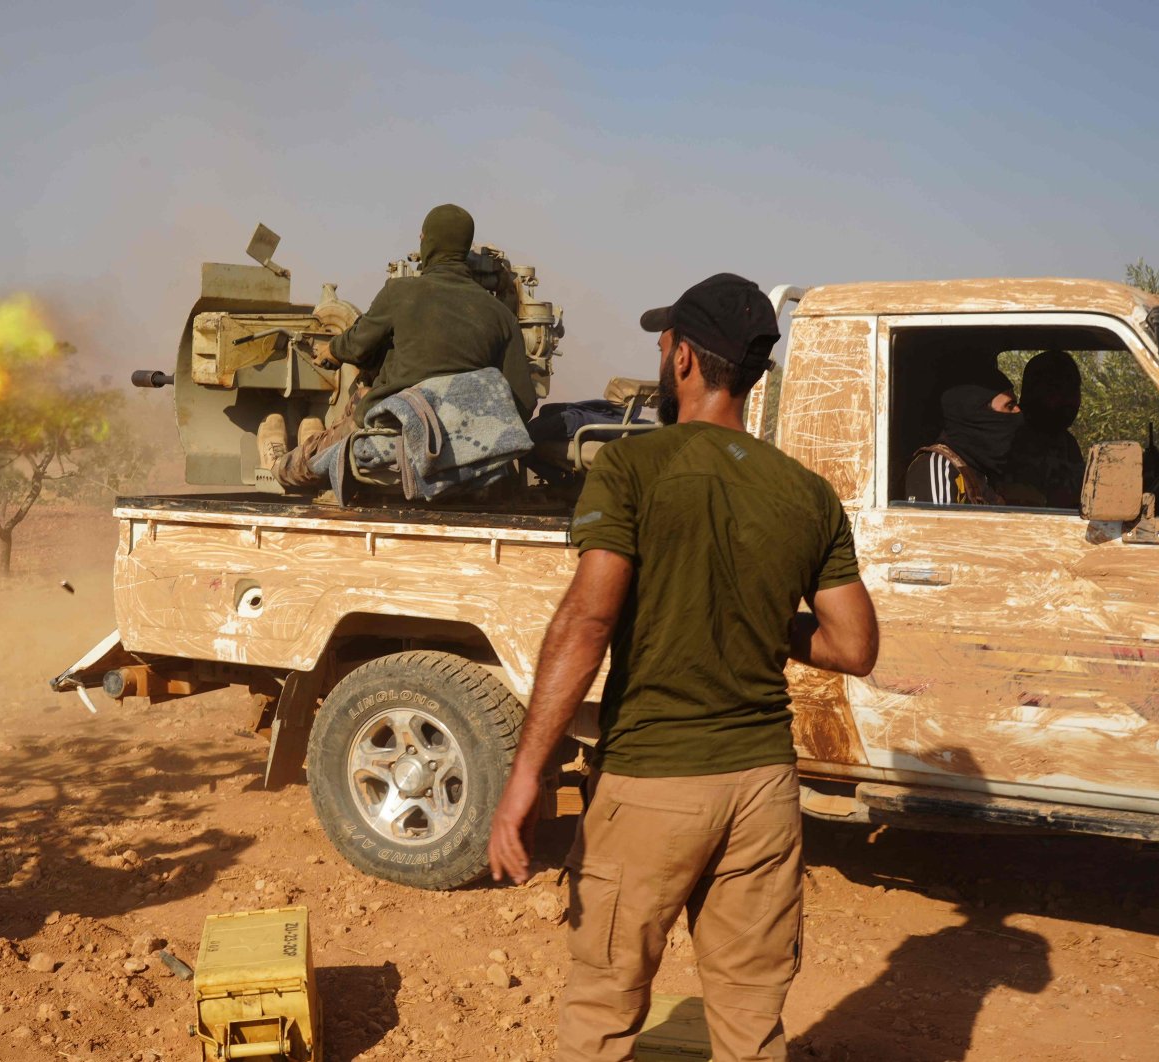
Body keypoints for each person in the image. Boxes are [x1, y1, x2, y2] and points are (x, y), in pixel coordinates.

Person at [486, 272, 880, 1062]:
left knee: (603, 1010)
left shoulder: (631, 469)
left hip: (652, 785)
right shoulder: (806, 494)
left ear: (684, 360)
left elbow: (588, 620)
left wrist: (528, 772)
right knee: (748, 1025)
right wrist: (766, 621)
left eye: (664, 343)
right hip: (763, 793)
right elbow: (853, 647)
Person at [262, 203, 537, 489]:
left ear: (427, 242)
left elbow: (357, 346)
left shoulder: (400, 293)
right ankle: (310, 435)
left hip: (391, 428)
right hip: (464, 453)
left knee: (297, 468)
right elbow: (523, 400)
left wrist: (332, 350)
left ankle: (278, 462)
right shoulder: (501, 315)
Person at [903, 374, 1021, 505]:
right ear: (978, 414)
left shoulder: (986, 465)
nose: (1018, 412)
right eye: (1009, 406)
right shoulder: (939, 466)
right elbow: (937, 523)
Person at [1000, 350, 1085, 507]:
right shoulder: (1010, 439)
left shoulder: (1066, 442)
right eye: (1057, 390)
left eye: (1073, 390)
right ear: (1034, 391)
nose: (1069, 400)